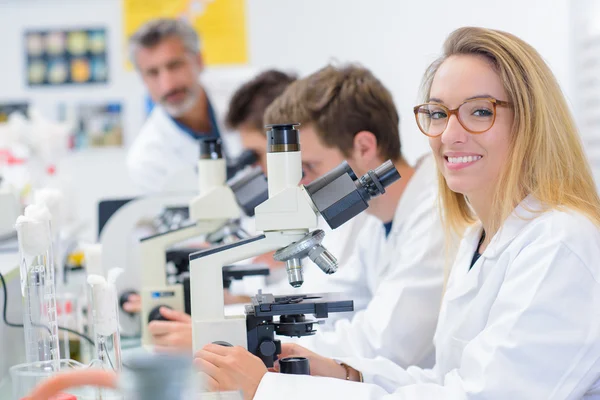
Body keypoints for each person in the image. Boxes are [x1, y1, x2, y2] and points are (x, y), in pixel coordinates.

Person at [195, 27, 600, 400]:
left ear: (530, 122)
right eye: (439, 113)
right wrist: (342, 373)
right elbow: (447, 381)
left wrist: (271, 390)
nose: (450, 134)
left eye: (480, 111)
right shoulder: (479, 237)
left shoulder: (559, 242)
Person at [193, 63, 446, 381]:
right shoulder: (374, 219)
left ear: (364, 147)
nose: (301, 186)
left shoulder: (435, 216)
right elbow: (331, 297)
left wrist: (248, 350)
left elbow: (382, 344)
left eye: (308, 168)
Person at [126, 18, 238, 194]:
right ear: (143, 80)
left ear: (199, 61)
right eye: (153, 73)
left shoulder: (247, 94)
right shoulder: (147, 160)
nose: (167, 85)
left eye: (174, 66)